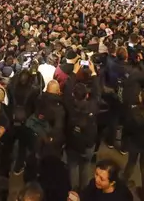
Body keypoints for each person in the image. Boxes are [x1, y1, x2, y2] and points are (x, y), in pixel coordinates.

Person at [64, 61, 101, 192]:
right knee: (85, 166)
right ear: (87, 95)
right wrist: (94, 73)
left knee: (73, 166)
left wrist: (74, 72)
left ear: (74, 95)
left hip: (73, 141)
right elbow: (98, 93)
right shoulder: (92, 106)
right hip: (88, 143)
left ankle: (74, 192)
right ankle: (83, 190)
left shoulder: (69, 105)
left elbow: (67, 89)